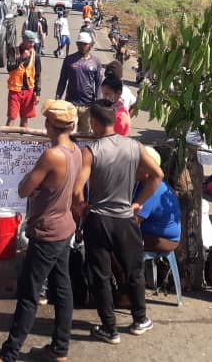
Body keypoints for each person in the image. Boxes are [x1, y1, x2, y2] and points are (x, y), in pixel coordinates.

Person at [0, 100, 81, 362]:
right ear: (73, 125)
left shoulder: (52, 155)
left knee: (29, 295)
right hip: (64, 228)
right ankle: (60, 349)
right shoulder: (74, 150)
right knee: (62, 290)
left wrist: (35, 183)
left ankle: (9, 354)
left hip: (47, 232)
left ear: (48, 126)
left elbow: (23, 189)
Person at [73, 99, 164, 344]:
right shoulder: (135, 146)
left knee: (100, 275)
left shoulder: (90, 152)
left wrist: (81, 209)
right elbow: (157, 175)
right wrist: (138, 202)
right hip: (125, 219)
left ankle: (109, 328)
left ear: (93, 122)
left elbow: (77, 190)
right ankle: (140, 319)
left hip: (99, 220)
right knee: (134, 271)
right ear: (113, 120)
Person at [55, 32, 103, 135]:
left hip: (87, 105)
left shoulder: (96, 62)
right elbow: (62, 80)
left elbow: (98, 83)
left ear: (90, 45)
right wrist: (58, 97)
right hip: (71, 104)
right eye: (79, 44)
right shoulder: (69, 60)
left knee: (84, 135)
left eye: (84, 44)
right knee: (68, 133)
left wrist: (98, 101)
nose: (81, 46)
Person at [135, 147, 180, 252]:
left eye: (140, 165)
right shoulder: (141, 183)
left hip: (163, 239)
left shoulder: (153, 189)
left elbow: (134, 220)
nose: (135, 167)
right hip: (149, 231)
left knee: (117, 241)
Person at [6, 31, 43, 127]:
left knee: (25, 118)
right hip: (15, 91)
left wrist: (37, 93)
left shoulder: (36, 55)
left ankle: (23, 141)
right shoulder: (13, 51)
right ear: (23, 41)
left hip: (28, 92)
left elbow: (38, 75)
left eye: (33, 42)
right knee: (12, 117)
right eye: (30, 42)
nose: (32, 44)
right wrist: (21, 58)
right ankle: (5, 140)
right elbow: (9, 67)